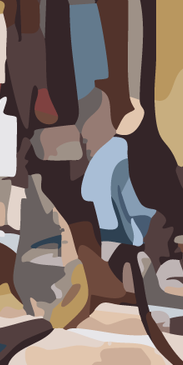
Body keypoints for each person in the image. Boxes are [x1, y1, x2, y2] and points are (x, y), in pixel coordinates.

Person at [77, 91, 152, 269]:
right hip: (127, 237)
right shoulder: (119, 152)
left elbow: (87, 193)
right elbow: (134, 207)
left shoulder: (101, 158)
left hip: (107, 235)